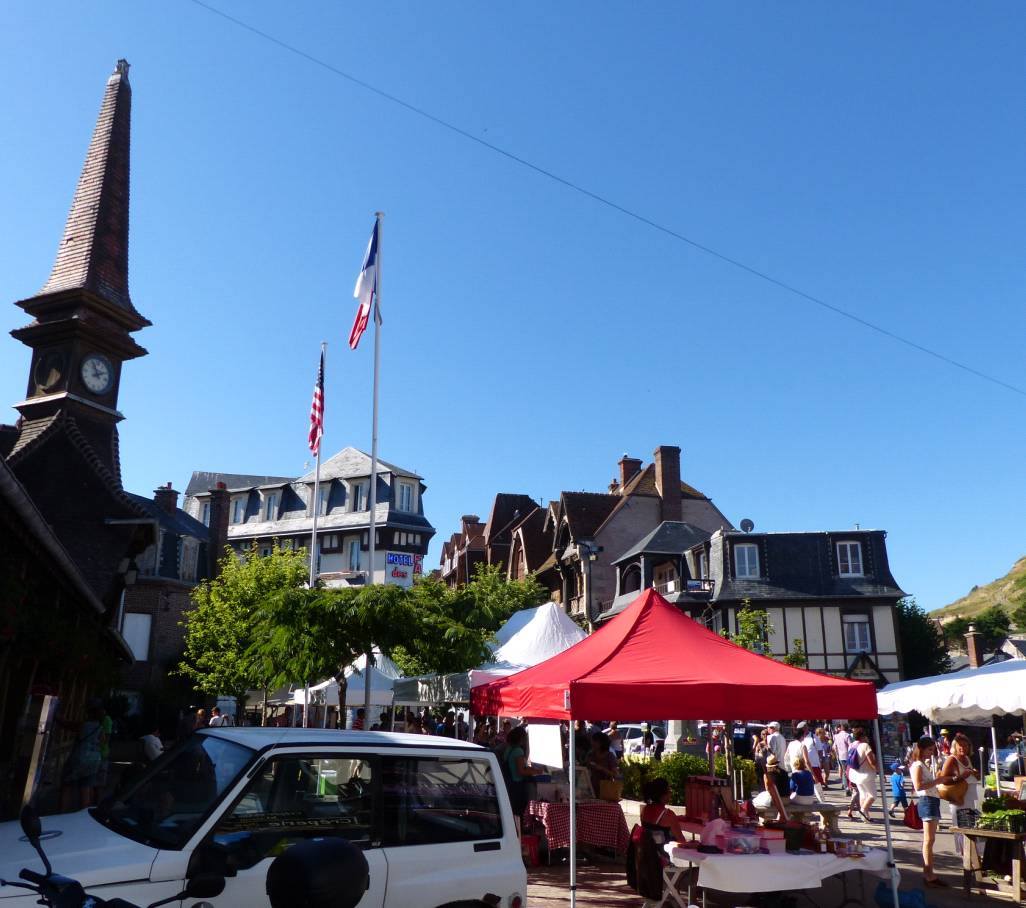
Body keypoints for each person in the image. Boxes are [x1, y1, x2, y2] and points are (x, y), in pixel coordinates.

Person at [636, 777, 689, 908]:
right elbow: (681, 841)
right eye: (668, 791)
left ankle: (671, 893)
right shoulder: (668, 815)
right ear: (662, 795)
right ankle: (676, 894)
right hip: (664, 859)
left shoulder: (645, 810)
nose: (671, 793)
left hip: (648, 856)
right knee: (695, 865)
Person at [910, 735, 950, 888]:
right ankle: (929, 874)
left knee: (930, 840)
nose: (931, 753)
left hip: (931, 800)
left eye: (932, 750)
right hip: (927, 801)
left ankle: (929, 873)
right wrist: (937, 781)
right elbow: (918, 786)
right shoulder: (918, 765)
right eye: (929, 750)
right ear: (921, 749)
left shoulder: (922, 764)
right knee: (928, 840)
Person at [940, 732, 981, 855]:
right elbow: (943, 779)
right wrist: (961, 777)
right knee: (960, 825)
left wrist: (975, 774)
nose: (963, 748)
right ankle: (964, 854)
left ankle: (971, 853)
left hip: (970, 798)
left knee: (971, 825)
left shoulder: (967, 758)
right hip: (958, 798)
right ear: (955, 746)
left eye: (965, 745)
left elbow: (971, 777)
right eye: (960, 745)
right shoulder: (951, 759)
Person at [504, 725, 544, 827]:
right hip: (517, 785)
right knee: (519, 812)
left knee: (513, 811)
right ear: (521, 738)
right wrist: (536, 771)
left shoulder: (509, 749)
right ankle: (520, 831)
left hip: (509, 784)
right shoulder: (518, 751)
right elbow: (521, 771)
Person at [846, 725, 879, 821]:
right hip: (866, 774)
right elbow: (871, 762)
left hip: (854, 774)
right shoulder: (865, 746)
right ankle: (863, 810)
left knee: (863, 794)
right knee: (873, 795)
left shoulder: (852, 745)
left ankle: (865, 817)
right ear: (863, 736)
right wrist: (878, 771)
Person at [752, 753, 790, 820]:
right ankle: (779, 818)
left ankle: (763, 819)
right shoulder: (784, 773)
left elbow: (768, 790)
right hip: (787, 800)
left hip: (776, 800)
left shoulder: (767, 775)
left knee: (755, 801)